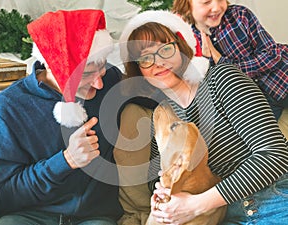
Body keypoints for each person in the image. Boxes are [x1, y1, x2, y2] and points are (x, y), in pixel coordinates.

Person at [119, 10, 288, 225]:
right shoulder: (162, 114)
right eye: (145, 58)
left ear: (181, 48)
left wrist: (197, 204)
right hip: (228, 215)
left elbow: (274, 155)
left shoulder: (223, 79)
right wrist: (161, 195)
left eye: (165, 49)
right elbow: (157, 175)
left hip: (275, 198)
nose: (158, 62)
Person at [0, 9, 124, 225]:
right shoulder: (7, 108)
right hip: (29, 216)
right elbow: (5, 196)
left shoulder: (111, 81)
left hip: (95, 217)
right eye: (87, 74)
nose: (99, 84)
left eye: (102, 68)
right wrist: (66, 161)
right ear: (55, 67)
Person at [172, 0, 288, 121]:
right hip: (256, 102)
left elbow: (273, 55)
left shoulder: (240, 15)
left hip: (282, 79)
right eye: (206, 2)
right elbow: (209, 89)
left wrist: (221, 61)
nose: (216, 7)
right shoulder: (188, 43)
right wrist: (207, 61)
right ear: (186, 6)